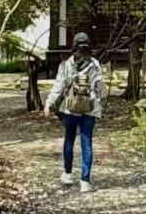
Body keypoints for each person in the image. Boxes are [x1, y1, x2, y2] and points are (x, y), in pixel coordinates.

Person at [44, 33, 106, 191]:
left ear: (74, 46)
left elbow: (59, 85)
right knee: (87, 143)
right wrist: (98, 100)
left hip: (70, 108)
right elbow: (99, 88)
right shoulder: (95, 64)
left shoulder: (66, 64)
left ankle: (68, 174)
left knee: (69, 140)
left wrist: (49, 103)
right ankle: (85, 181)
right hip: (89, 108)